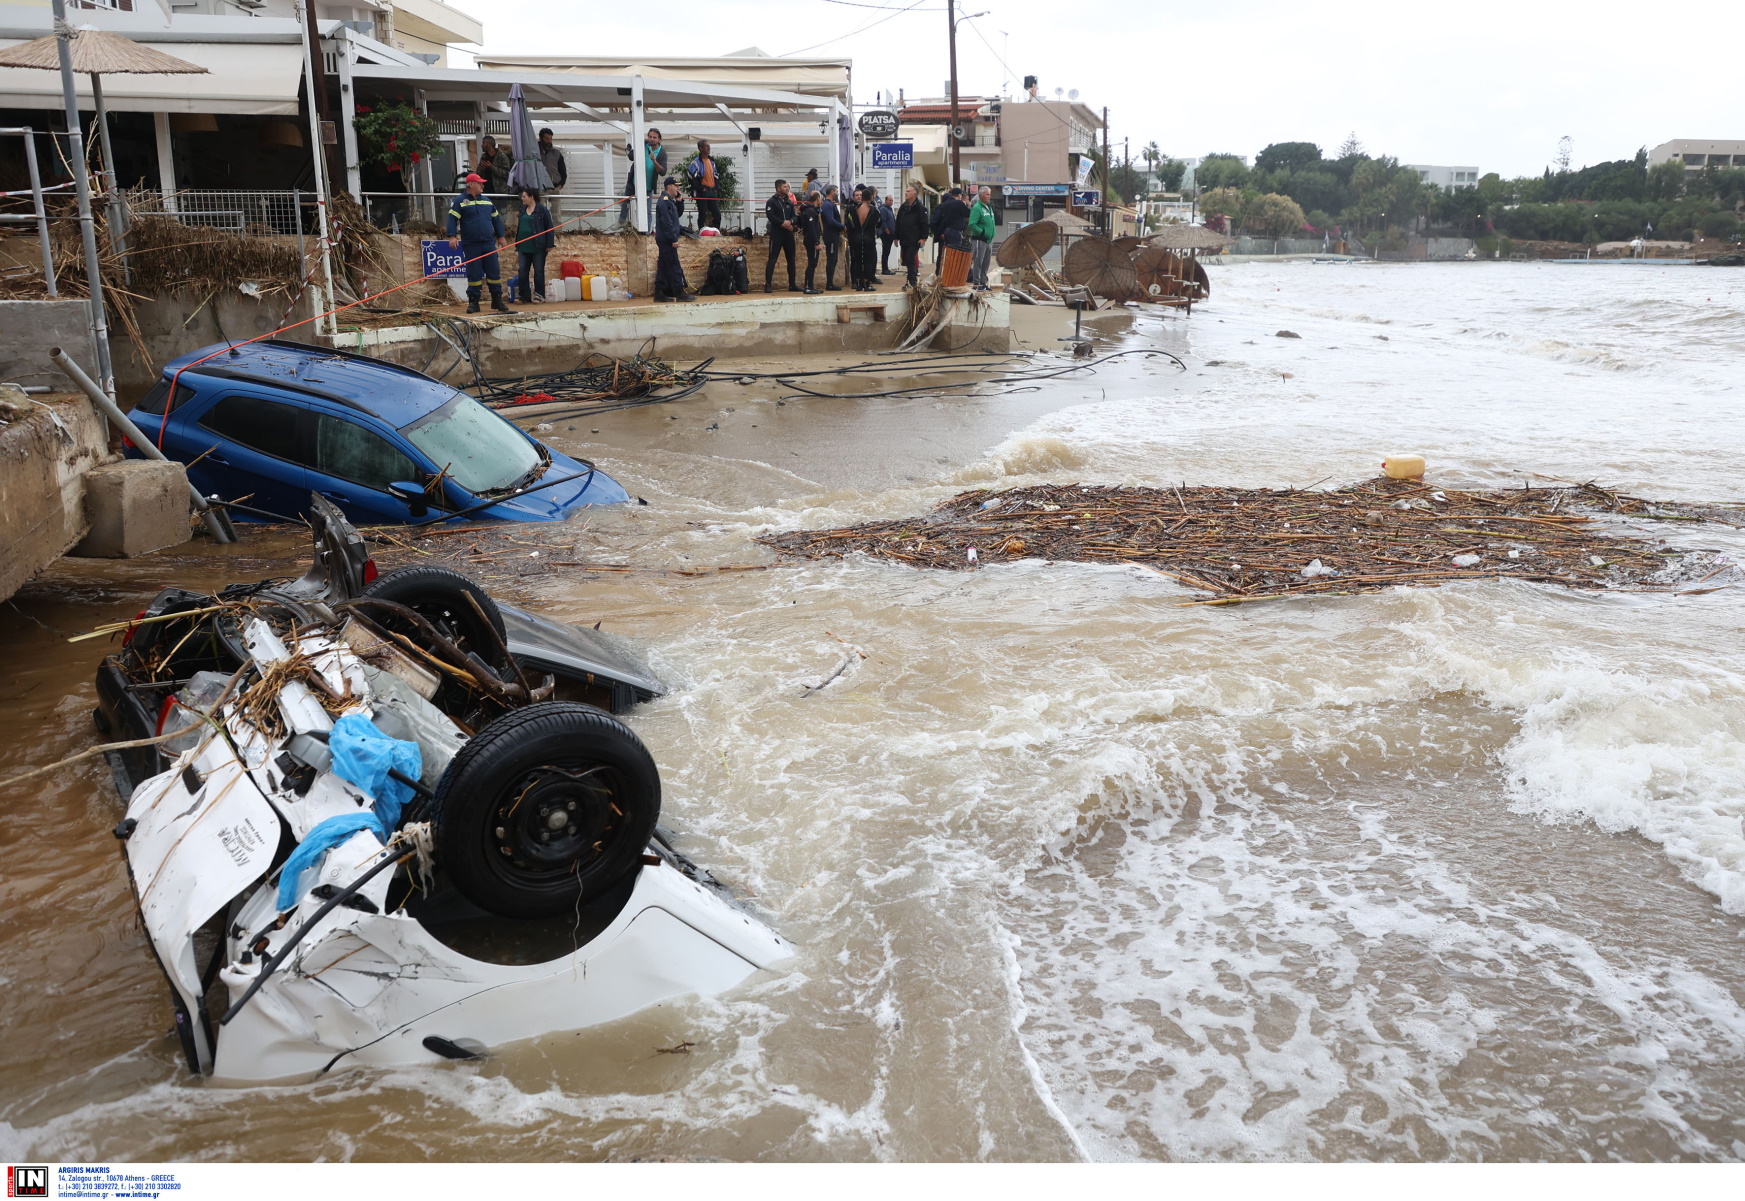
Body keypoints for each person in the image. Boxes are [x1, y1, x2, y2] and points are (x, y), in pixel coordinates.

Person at [446, 172, 510, 314]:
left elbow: (496, 220)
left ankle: (497, 301)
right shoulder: (459, 201)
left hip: (488, 243)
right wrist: (452, 236)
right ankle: (474, 302)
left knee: (494, 272)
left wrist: (501, 236)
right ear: (471, 185)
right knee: (474, 274)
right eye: (480, 183)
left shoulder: (487, 201)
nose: (483, 185)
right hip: (471, 244)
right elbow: (452, 219)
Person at [511, 186, 555, 304]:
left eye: (524, 196)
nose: (522, 199)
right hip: (523, 246)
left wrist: (550, 243)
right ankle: (524, 295)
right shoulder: (522, 209)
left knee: (539, 271)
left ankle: (539, 294)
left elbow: (549, 227)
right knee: (523, 270)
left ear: (531, 197)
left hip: (538, 246)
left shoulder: (542, 210)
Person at [653, 176, 692, 303]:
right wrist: (673, 239)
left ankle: (659, 293)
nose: (678, 188)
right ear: (669, 186)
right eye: (676, 186)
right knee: (674, 265)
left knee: (664, 266)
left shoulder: (669, 201)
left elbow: (677, 216)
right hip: (666, 239)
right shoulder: (664, 201)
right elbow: (666, 223)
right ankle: (679, 292)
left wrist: (680, 202)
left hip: (665, 238)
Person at [619, 128, 666, 228]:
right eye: (650, 137)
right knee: (625, 205)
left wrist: (654, 160)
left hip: (648, 187)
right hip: (633, 182)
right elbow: (632, 157)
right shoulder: (643, 145)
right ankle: (620, 226)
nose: (652, 139)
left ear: (659, 139)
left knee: (647, 210)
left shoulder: (662, 153)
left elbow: (662, 171)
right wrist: (629, 151)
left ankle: (647, 232)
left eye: (654, 137)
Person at [763, 179, 798, 293]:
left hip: (788, 233)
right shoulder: (771, 201)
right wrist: (782, 222)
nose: (787, 189)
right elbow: (770, 216)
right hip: (777, 233)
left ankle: (792, 284)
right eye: (784, 187)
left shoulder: (789, 202)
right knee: (772, 258)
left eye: (787, 187)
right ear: (778, 188)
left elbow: (795, 216)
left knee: (791, 259)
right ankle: (768, 285)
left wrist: (791, 222)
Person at [894, 183, 928, 288]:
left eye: (908, 191)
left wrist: (923, 238)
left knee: (910, 259)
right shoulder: (904, 207)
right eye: (906, 191)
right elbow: (898, 222)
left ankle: (912, 282)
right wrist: (896, 236)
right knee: (906, 260)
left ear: (915, 194)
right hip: (904, 238)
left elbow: (924, 223)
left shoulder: (920, 208)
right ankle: (910, 281)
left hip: (914, 239)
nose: (906, 193)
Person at [686, 139, 722, 231]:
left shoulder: (711, 161)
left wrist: (716, 187)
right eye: (706, 146)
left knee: (717, 214)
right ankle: (702, 231)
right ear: (700, 148)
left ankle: (715, 231)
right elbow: (691, 176)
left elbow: (716, 175)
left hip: (712, 191)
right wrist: (700, 188)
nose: (708, 147)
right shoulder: (696, 162)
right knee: (703, 214)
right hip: (703, 192)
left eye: (709, 146)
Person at [968, 185, 996, 288]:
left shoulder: (988, 207)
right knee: (978, 261)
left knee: (986, 263)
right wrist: (982, 232)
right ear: (981, 196)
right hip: (980, 240)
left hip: (989, 240)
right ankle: (977, 283)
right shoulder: (977, 208)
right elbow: (972, 224)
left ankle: (984, 282)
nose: (989, 196)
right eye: (987, 194)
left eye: (990, 194)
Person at [799, 189, 824, 294]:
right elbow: (811, 228)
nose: (821, 201)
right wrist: (816, 242)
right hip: (811, 241)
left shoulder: (813, 210)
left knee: (813, 263)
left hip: (812, 239)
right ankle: (808, 287)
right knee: (812, 263)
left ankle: (811, 286)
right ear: (818, 198)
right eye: (820, 199)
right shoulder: (810, 211)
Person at [477, 135, 511, 212]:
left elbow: (507, 174)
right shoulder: (484, 156)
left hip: (499, 193)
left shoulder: (502, 157)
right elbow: (478, 175)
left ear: (489, 145)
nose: (481, 145)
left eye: (483, 143)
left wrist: (492, 167)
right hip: (486, 191)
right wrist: (482, 169)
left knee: (500, 215)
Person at [820, 184, 844, 290]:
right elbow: (830, 221)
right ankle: (829, 284)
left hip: (833, 234)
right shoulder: (827, 205)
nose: (838, 194)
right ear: (832, 192)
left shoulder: (830, 204)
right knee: (831, 259)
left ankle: (830, 282)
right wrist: (843, 226)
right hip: (830, 235)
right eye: (837, 191)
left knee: (834, 259)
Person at [537, 128, 568, 194]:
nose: (549, 141)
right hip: (540, 187)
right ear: (541, 138)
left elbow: (563, 171)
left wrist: (561, 185)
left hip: (555, 187)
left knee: (556, 204)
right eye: (547, 138)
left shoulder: (557, 153)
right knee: (541, 203)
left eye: (550, 139)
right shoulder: (534, 153)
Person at [877, 191, 897, 275]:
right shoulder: (883, 209)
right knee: (885, 251)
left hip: (891, 233)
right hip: (886, 234)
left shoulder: (890, 209)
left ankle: (886, 268)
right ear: (886, 200)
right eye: (890, 200)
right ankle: (884, 269)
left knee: (887, 251)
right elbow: (883, 221)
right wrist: (887, 231)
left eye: (892, 200)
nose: (891, 202)